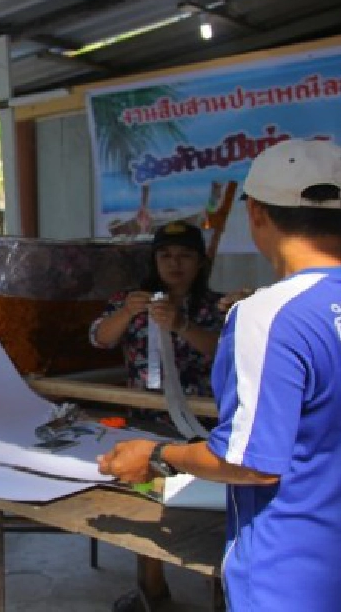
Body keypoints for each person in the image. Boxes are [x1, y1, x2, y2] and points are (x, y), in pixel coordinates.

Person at [98, 139, 341, 611]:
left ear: (255, 212)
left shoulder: (266, 314)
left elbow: (250, 463)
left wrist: (156, 454)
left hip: (301, 575)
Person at [89, 219, 224, 612]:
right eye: (166, 255)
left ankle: (220, 593)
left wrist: (182, 325)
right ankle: (152, 591)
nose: (174, 264)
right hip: (144, 422)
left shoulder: (216, 306)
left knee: (210, 509)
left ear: (200, 262)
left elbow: (225, 351)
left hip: (201, 425)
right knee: (147, 505)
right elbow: (99, 338)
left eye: (185, 256)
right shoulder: (130, 301)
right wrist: (126, 314)